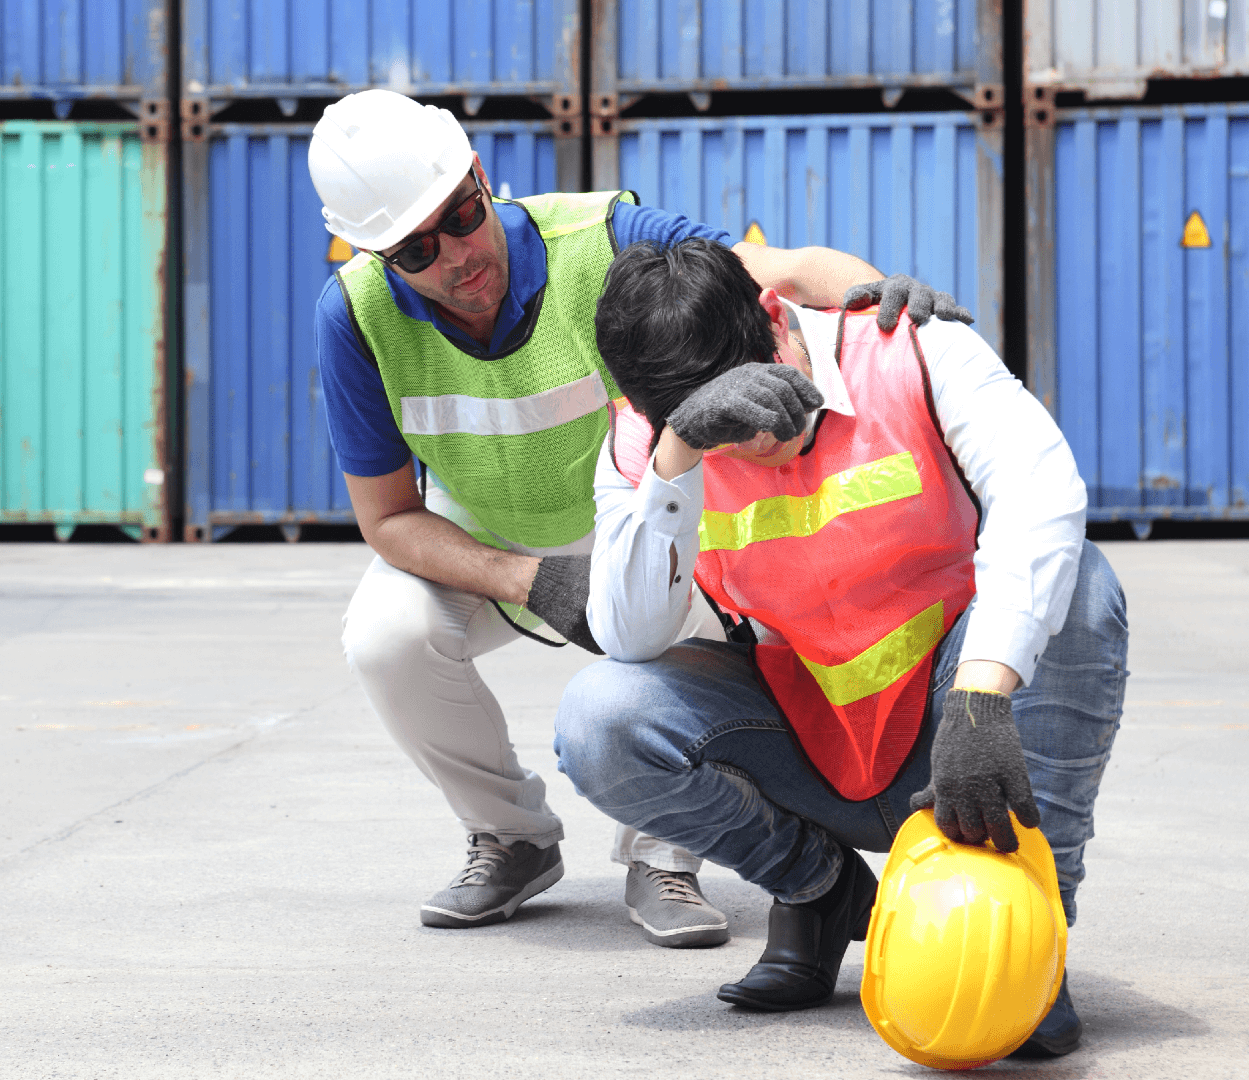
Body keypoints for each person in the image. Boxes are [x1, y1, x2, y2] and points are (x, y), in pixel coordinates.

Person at [307, 89, 972, 947]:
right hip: (488, 537)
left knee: (688, 608)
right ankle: (508, 835)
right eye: (415, 249)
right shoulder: (355, 320)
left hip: (630, 508)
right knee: (383, 638)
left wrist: (880, 300)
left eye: (463, 215)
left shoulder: (605, 236)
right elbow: (390, 518)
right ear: (377, 256)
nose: (456, 257)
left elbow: (784, 274)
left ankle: (664, 850)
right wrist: (531, 579)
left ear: (481, 176)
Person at [553, 237, 1127, 1057]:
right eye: (725, 431)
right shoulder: (649, 441)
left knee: (1081, 589)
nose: (751, 445)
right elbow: (629, 633)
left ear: (777, 320)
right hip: (811, 740)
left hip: (965, 736)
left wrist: (982, 691)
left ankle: (1032, 935)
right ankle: (819, 891)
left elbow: (1042, 490)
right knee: (602, 716)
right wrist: (679, 455)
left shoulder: (912, 350)